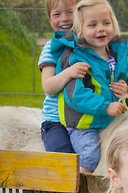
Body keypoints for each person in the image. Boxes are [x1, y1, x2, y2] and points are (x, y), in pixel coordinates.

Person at [51, 0, 128, 173]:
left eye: (106, 23)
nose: (101, 29)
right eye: (92, 25)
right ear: (80, 30)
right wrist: (105, 106)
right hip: (84, 125)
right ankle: (80, 192)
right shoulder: (76, 59)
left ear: (113, 25)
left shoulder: (118, 56)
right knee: (91, 155)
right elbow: (76, 95)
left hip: (113, 120)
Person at [39, 0, 90, 153]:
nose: (64, 18)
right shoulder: (51, 48)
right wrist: (69, 72)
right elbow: (48, 87)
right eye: (57, 14)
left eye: (70, 12)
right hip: (56, 121)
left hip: (84, 118)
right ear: (50, 21)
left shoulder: (88, 45)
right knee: (62, 154)